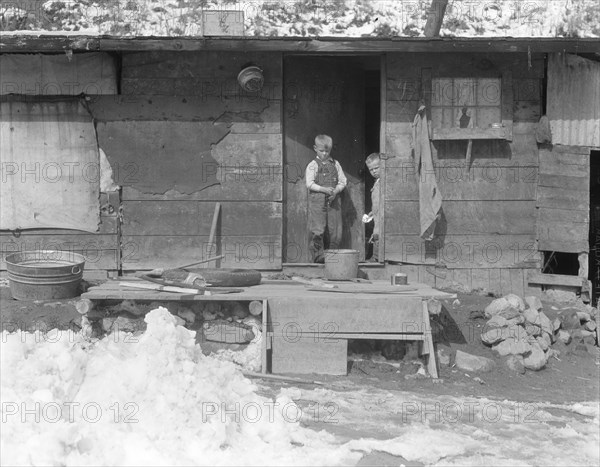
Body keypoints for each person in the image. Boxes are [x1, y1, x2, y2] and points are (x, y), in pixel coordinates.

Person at [305, 134, 347, 263]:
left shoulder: (336, 164)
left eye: (327, 151)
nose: (324, 154)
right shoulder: (312, 165)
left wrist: (335, 191)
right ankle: (318, 257)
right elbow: (309, 183)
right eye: (321, 151)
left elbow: (343, 181)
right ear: (315, 149)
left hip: (333, 200)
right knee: (318, 229)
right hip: (318, 200)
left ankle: (332, 257)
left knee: (335, 230)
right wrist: (323, 189)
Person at [363, 153, 381, 262]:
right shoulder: (377, 182)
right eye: (371, 170)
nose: (374, 171)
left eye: (376, 168)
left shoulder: (384, 182)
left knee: (378, 233)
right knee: (376, 233)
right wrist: (372, 212)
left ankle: (377, 257)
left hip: (383, 214)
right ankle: (375, 256)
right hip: (377, 213)